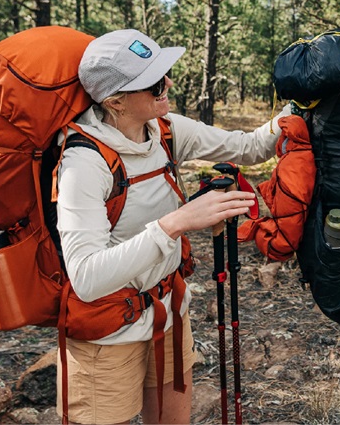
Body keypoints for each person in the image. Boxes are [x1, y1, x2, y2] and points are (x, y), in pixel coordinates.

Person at [54, 29, 289, 425]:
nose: (169, 84)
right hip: (107, 329)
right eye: (154, 82)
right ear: (115, 101)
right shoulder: (84, 163)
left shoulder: (164, 129)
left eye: (164, 73)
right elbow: (87, 278)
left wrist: (298, 105)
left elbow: (249, 147)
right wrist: (177, 223)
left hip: (168, 309)